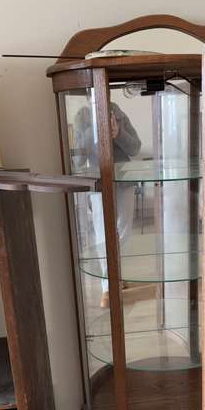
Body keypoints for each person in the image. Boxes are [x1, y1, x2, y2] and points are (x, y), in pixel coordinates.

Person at [73, 102, 142, 305]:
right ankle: (107, 286)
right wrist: (93, 130)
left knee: (125, 231)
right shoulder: (82, 117)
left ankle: (116, 275)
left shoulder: (118, 113)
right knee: (103, 234)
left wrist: (118, 133)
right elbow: (77, 160)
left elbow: (135, 147)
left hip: (125, 181)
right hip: (99, 183)